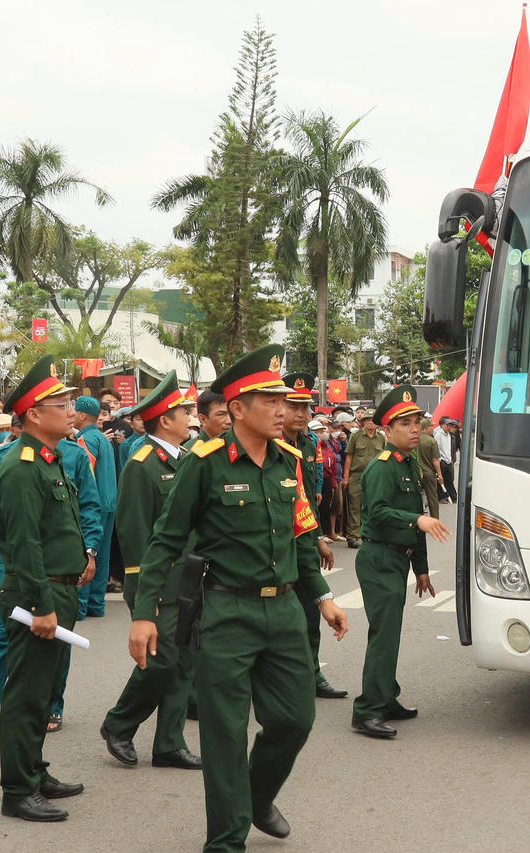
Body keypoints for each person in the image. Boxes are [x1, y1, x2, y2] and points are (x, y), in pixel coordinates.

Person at [128, 345, 348, 851]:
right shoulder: (203, 464)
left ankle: (256, 795)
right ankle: (226, 840)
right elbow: (164, 540)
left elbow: (300, 536)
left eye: (282, 398)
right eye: (267, 399)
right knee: (225, 734)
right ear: (236, 409)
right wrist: (144, 614)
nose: (281, 408)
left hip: (284, 611)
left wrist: (322, 598)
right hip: (225, 611)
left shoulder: (288, 462)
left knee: (294, 720)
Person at [0, 400, 103, 745]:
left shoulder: (75, 455)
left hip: (62, 569)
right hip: (17, 567)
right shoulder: (6, 460)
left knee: (55, 640)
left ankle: (51, 705)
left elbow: (90, 508)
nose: (70, 413)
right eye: (61, 405)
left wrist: (91, 552)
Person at [0, 355, 94, 822]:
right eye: (62, 403)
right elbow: (23, 543)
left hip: (59, 591)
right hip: (38, 596)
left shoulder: (49, 460)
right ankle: (17, 790)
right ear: (34, 414)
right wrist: (40, 605)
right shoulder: (20, 467)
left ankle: (35, 771)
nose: (71, 409)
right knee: (27, 693)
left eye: (71, 402)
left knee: (44, 686)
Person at [101, 372, 202, 770]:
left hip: (189, 578)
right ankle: (119, 723)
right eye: (184, 412)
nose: (190, 418)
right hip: (157, 583)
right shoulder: (141, 466)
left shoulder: (185, 458)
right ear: (165, 420)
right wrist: (147, 589)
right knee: (160, 659)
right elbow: (135, 533)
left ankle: (169, 744)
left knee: (183, 662)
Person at [352, 384, 450, 738]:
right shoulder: (381, 468)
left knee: (390, 635)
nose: (414, 428)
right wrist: (417, 522)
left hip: (397, 559)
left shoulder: (408, 462)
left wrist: (421, 569)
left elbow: (415, 513)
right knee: (383, 635)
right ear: (386, 429)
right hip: (379, 558)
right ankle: (367, 710)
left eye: (417, 421)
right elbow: (378, 513)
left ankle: (385, 697)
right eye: (405, 423)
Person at [283, 372, 348, 700]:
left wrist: (319, 537)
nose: (300, 412)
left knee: (311, 611)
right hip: (279, 544)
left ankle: (312, 674)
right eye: (293, 405)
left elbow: (307, 497)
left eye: (305, 406)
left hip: (305, 537)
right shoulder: (273, 445)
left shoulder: (309, 443)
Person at [72, 396, 117, 619]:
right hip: (109, 503)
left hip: (94, 505)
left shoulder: (85, 439)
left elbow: (85, 474)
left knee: (87, 554)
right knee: (102, 555)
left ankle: (80, 606)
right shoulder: (100, 437)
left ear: (81, 415)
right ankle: (96, 604)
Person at [343, 408, 386, 547]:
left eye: (373, 420)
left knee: (371, 506)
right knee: (355, 506)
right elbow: (349, 457)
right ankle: (353, 536)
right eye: (367, 420)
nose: (370, 423)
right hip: (357, 476)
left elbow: (384, 457)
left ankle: (366, 534)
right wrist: (346, 477)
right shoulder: (356, 436)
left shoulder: (381, 438)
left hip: (374, 477)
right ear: (363, 422)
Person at [417, 419, 442, 518]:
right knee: (432, 498)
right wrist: (439, 474)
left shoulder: (415, 439)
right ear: (426, 428)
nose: (433, 428)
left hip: (417, 473)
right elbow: (435, 460)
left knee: (417, 498)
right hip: (429, 473)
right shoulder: (432, 441)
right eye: (431, 426)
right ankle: (435, 519)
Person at [435, 417, 458, 503]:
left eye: (450, 425)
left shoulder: (449, 435)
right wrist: (440, 458)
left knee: (449, 479)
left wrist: (450, 459)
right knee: (442, 480)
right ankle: (442, 497)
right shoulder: (438, 434)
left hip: (448, 460)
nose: (449, 427)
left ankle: (453, 496)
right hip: (442, 460)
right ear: (443, 426)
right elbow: (437, 447)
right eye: (448, 425)